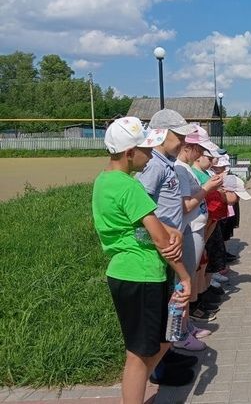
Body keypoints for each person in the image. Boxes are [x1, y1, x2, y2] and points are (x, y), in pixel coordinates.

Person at [91, 117, 191, 403]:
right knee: (138, 355)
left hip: (125, 272)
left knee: (156, 342)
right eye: (146, 148)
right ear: (129, 153)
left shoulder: (104, 181)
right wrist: (184, 276)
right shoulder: (130, 186)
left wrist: (168, 229)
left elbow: (133, 226)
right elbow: (159, 240)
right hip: (142, 274)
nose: (151, 153)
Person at [135, 108, 200, 385]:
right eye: (179, 135)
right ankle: (157, 369)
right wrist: (161, 234)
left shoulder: (166, 163)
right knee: (162, 308)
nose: (183, 141)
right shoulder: (153, 165)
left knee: (171, 304)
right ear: (162, 133)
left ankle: (168, 353)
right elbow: (141, 206)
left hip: (169, 243)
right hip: (158, 246)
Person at [174, 126, 224, 348]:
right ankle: (179, 333)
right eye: (199, 150)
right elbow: (185, 206)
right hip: (189, 229)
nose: (200, 154)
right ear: (190, 147)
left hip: (195, 229)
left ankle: (186, 326)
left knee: (189, 279)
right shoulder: (181, 169)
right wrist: (207, 188)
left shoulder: (184, 168)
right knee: (183, 284)